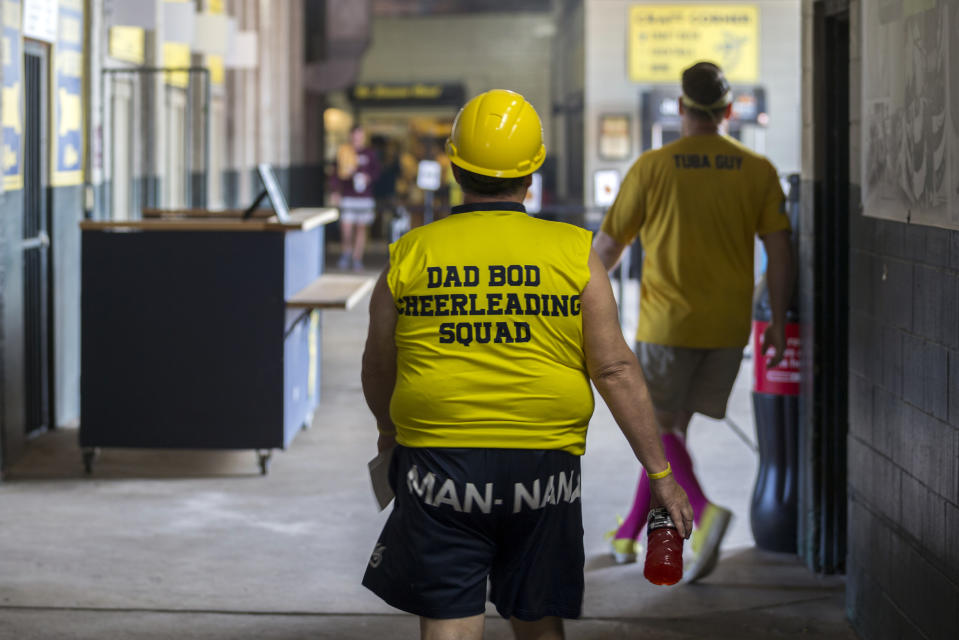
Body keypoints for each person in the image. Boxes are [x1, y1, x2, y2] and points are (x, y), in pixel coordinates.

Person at [361, 89, 694, 640]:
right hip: (545, 468)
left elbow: (379, 363)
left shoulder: (410, 254)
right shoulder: (573, 253)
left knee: (448, 622)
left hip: (440, 465)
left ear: (454, 167)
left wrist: (388, 434)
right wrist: (661, 476)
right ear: (532, 174)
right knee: (538, 618)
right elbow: (613, 369)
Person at [594, 62, 794, 583]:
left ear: (682, 108)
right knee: (671, 434)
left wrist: (583, 308)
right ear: (729, 111)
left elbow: (608, 247)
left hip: (667, 327)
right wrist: (774, 320)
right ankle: (634, 535)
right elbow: (779, 246)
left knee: (657, 434)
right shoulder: (758, 170)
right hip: (727, 330)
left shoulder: (654, 167)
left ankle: (703, 512)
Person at [330, 125, 381, 271]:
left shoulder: (369, 153)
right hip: (348, 195)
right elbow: (335, 174)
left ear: (363, 137)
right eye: (354, 136)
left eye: (359, 136)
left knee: (361, 227)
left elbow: (376, 171)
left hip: (364, 197)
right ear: (350, 136)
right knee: (346, 227)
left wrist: (368, 177)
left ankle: (357, 257)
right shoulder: (343, 152)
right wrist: (335, 191)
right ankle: (346, 252)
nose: (357, 139)